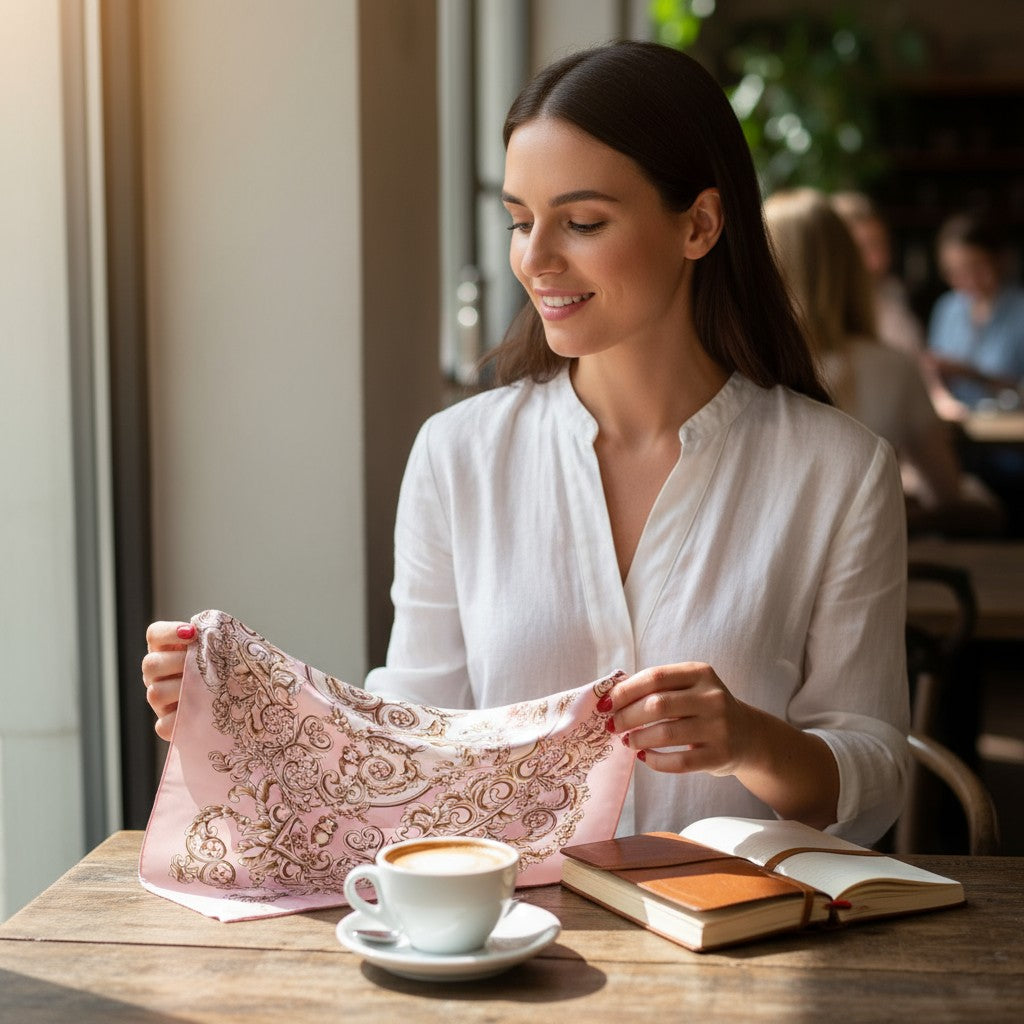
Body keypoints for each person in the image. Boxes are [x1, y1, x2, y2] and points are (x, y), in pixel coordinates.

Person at [143, 41, 909, 846]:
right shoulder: (458, 455)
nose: (535, 259)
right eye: (519, 220)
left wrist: (753, 741)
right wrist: (231, 710)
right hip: (519, 943)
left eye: (581, 222)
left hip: (748, 943)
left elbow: (876, 775)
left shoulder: (840, 472)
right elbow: (413, 738)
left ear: (700, 224)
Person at [765, 187, 1003, 536]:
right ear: (848, 264)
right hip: (871, 567)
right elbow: (945, 493)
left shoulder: (734, 367)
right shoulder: (893, 368)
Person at [831, 191, 965, 422]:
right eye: (863, 247)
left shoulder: (891, 296)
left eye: (880, 245)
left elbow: (918, 367)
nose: (877, 260)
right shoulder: (824, 311)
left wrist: (939, 397)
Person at [928, 211, 1024, 410]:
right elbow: (933, 375)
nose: (967, 280)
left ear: (999, 259)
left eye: (975, 267)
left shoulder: (1019, 310)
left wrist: (972, 374)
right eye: (954, 272)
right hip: (957, 423)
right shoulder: (947, 308)